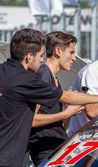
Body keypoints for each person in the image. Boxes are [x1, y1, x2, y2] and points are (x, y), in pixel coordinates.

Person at [0, 28, 98, 167]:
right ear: (29, 57)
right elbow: (67, 97)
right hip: (3, 160)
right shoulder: (28, 80)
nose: (42, 60)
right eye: (41, 55)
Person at [28, 31, 82, 165]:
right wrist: (66, 113)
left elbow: (61, 125)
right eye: (71, 52)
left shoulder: (55, 79)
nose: (74, 58)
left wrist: (69, 113)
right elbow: (30, 119)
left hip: (56, 146)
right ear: (58, 51)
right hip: (44, 148)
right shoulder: (43, 75)